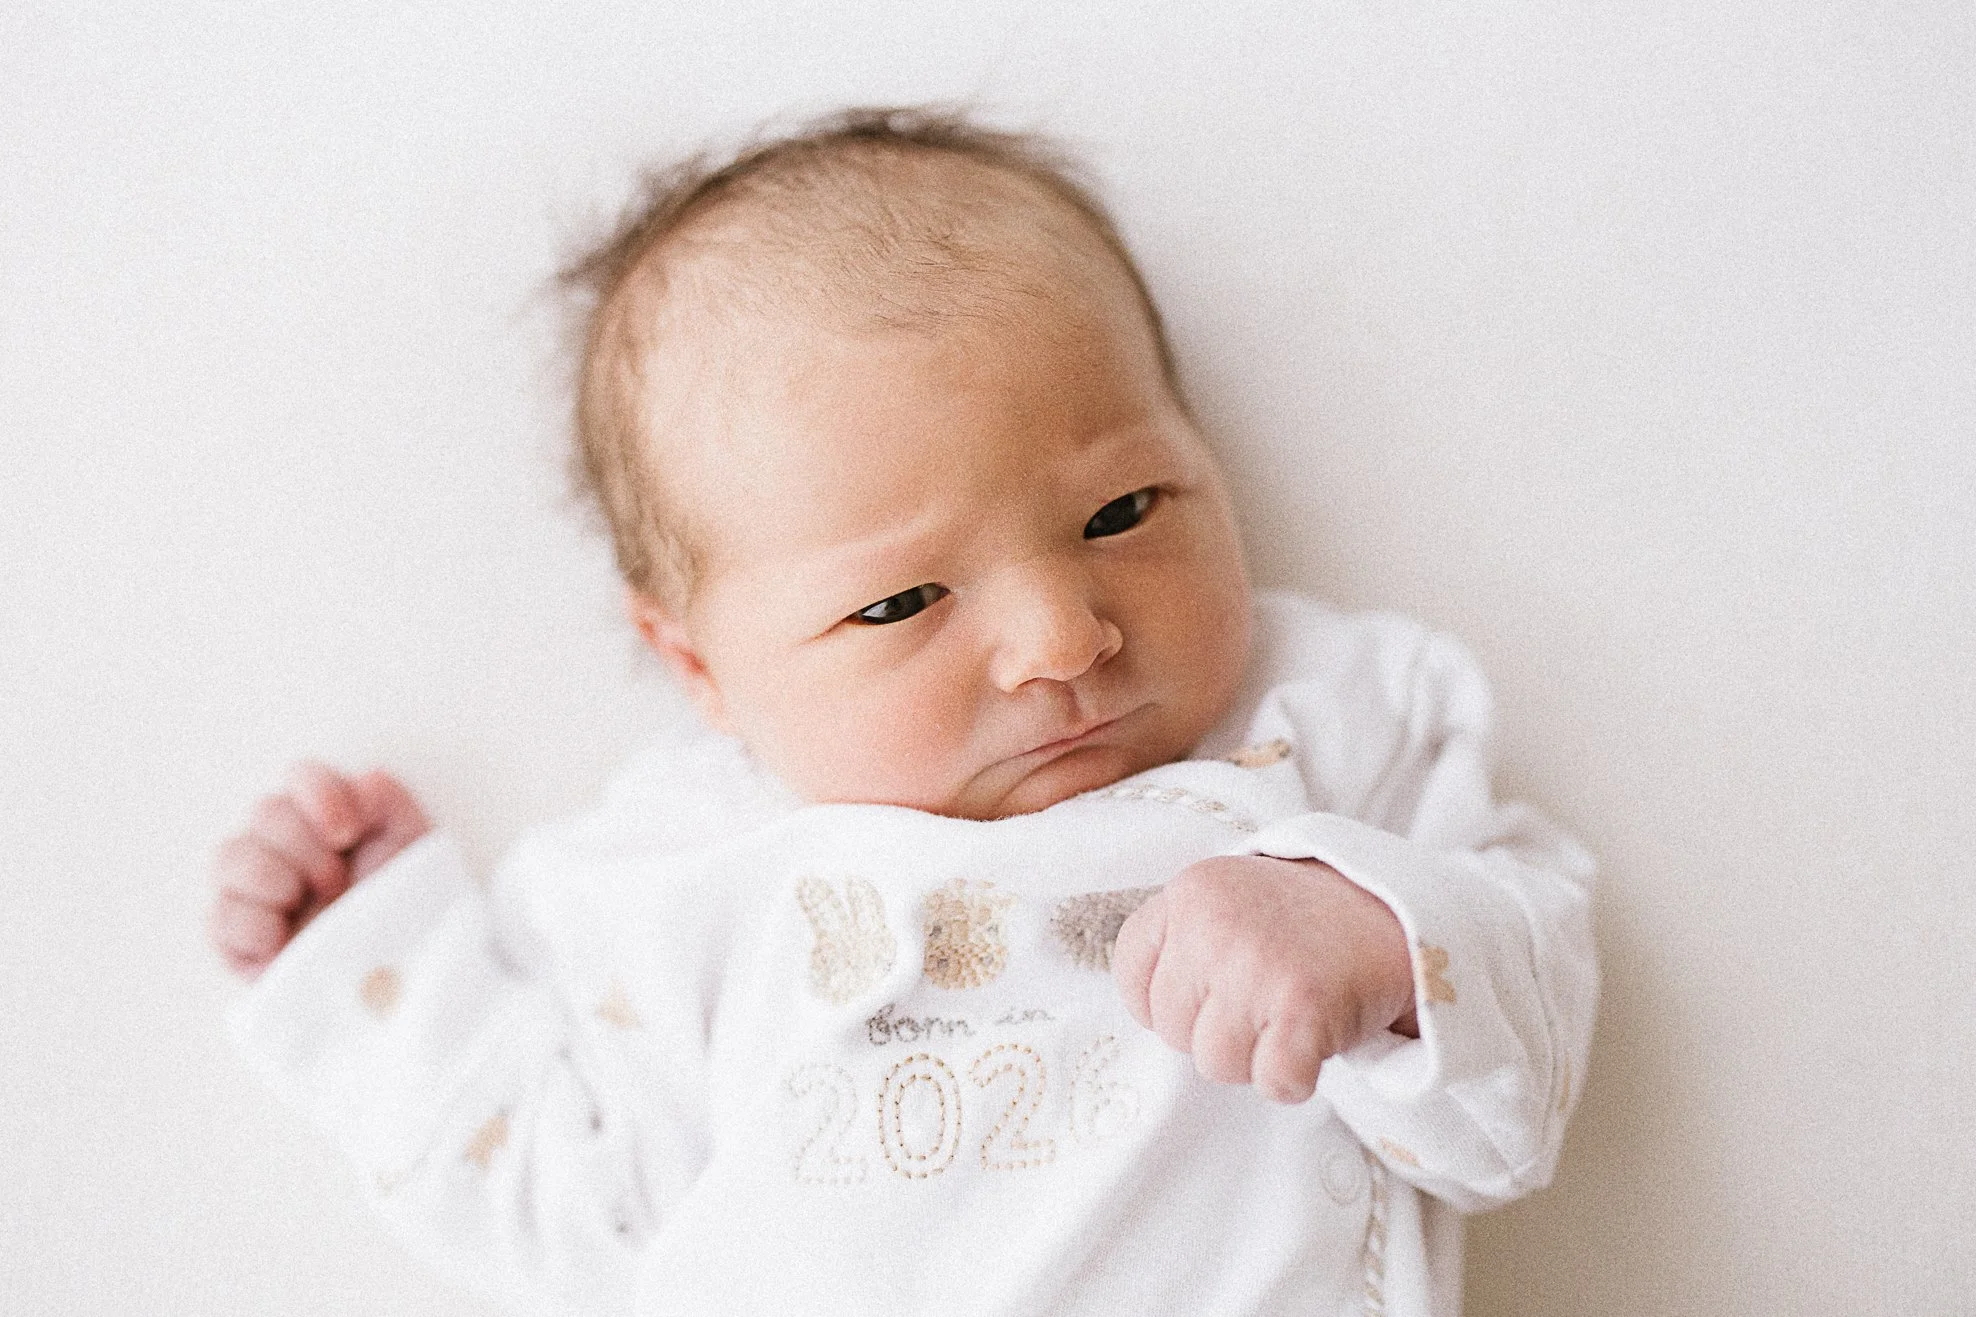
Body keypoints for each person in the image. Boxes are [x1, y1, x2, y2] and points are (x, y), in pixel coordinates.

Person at [211, 107, 1597, 1317]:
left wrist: (1377, 938)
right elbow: (580, 1219)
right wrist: (378, 972)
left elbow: (1513, 1089)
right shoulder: (680, 881)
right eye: (901, 605)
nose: (1062, 640)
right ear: (695, 665)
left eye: (1123, 513)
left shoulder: (1325, 721)